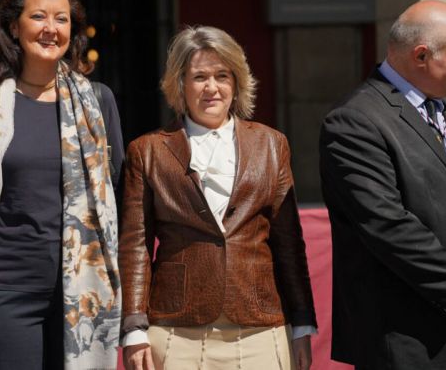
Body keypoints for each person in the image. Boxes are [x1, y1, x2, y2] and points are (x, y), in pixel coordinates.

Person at [0, 0, 124, 370]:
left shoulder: (98, 102)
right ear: (14, 26)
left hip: (86, 292)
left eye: (61, 19)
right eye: (38, 17)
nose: (51, 29)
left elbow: (118, 200)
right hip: (6, 292)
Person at [119, 26, 316, 370]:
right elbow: (134, 245)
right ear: (179, 84)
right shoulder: (146, 150)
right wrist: (134, 327)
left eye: (222, 75)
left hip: (260, 326)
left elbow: (288, 242)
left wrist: (302, 322)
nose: (212, 87)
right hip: (176, 329)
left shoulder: (272, 144)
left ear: (236, 81)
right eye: (199, 77)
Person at [320, 0, 446, 369]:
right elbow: (389, 227)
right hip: (405, 340)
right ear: (422, 56)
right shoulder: (354, 122)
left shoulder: (440, 106)